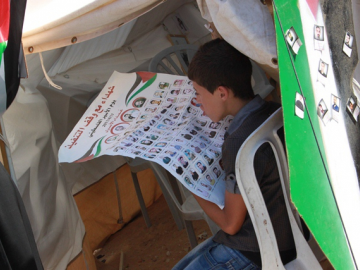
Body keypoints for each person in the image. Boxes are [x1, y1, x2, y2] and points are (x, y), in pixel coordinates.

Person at [172, 39, 295, 270]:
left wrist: (192, 185)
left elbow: (230, 224)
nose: (197, 102)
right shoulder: (275, 110)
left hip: (260, 248)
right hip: (288, 233)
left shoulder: (238, 142)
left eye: (198, 93)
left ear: (221, 93)